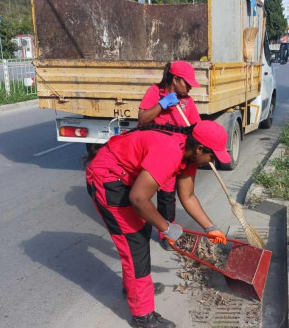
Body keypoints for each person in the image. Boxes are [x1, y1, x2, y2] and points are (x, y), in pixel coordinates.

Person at [85, 120, 229, 328]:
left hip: (125, 180)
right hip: (107, 179)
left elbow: (187, 196)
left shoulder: (188, 156)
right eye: (212, 156)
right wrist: (167, 228)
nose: (212, 161)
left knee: (140, 233)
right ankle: (143, 317)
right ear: (200, 148)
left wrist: (210, 227)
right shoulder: (169, 152)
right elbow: (139, 199)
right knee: (134, 245)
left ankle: (133, 288)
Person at [138, 61, 201, 250]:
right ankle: (141, 229)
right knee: (143, 195)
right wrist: (162, 105)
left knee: (167, 196)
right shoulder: (155, 93)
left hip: (171, 157)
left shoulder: (187, 102)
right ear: (175, 79)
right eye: (187, 84)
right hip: (150, 155)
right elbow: (142, 119)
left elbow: (196, 128)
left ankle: (165, 232)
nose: (189, 88)